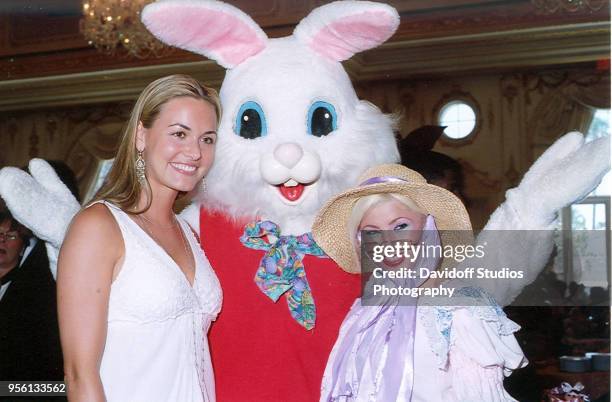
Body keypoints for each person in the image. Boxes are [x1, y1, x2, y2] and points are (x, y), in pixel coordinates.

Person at [57, 75, 222, 402]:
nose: (194, 152)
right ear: (141, 136)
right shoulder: (98, 226)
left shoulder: (187, 231)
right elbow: (79, 375)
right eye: (179, 134)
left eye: (207, 139)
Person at [312, 164, 527, 401]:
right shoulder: (365, 312)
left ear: (428, 227)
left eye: (400, 226)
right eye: (371, 232)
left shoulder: (461, 311)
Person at [0, 204, 64, 385]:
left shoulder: (34, 297)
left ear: (22, 248)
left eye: (11, 235)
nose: (2, 240)